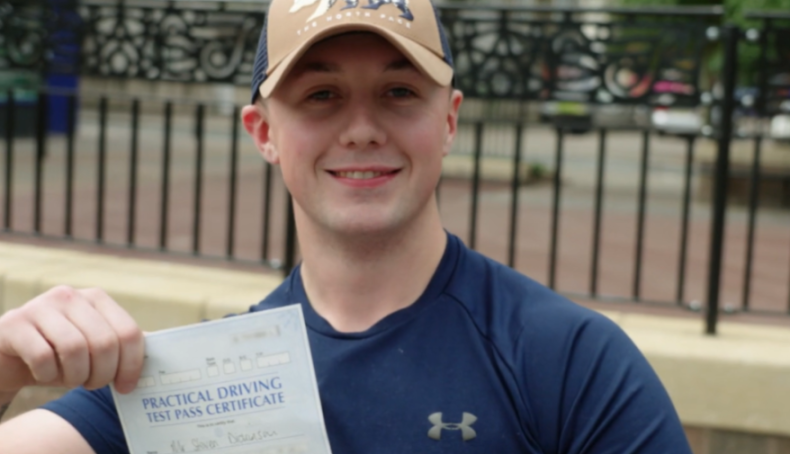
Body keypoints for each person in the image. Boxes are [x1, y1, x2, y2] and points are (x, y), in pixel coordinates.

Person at [0, 0, 693, 451]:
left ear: (448, 120)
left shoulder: (566, 360)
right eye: (321, 95)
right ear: (264, 131)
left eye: (398, 92)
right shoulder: (195, 389)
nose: (361, 130)